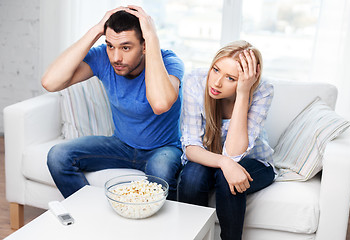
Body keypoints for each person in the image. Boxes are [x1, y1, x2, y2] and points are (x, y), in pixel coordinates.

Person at [42, 5, 184, 200]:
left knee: (161, 171)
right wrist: (96, 30)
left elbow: (160, 104)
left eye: (126, 47)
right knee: (58, 156)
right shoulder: (104, 57)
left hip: (163, 149)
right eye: (111, 46)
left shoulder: (169, 62)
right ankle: (92, 215)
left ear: (144, 45)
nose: (116, 57)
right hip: (121, 145)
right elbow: (50, 82)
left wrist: (152, 37)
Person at [178, 40, 275, 239]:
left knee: (226, 178)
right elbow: (191, 147)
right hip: (209, 159)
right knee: (191, 178)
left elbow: (234, 154)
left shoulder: (262, 90)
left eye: (231, 78)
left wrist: (243, 93)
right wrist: (223, 162)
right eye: (215, 69)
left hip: (255, 161)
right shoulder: (196, 80)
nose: (216, 82)